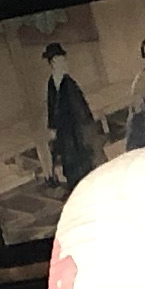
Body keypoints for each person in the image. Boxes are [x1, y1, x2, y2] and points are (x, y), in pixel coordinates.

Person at [42, 41, 103, 190]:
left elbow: (81, 109)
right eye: (59, 60)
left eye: (63, 59)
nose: (63, 63)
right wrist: (52, 128)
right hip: (64, 132)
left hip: (76, 131)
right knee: (69, 164)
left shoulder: (69, 83)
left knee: (82, 163)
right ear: (52, 62)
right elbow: (51, 106)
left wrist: (87, 131)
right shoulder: (52, 83)